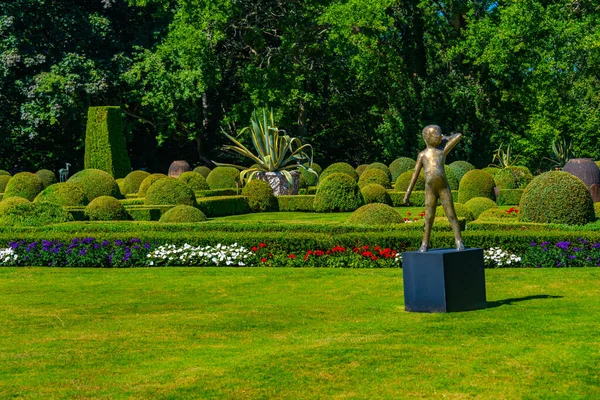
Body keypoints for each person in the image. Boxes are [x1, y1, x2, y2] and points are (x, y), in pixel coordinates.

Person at [403, 125, 464, 252]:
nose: (440, 136)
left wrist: (444, 138)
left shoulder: (442, 151)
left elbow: (458, 136)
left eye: (441, 134)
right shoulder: (423, 155)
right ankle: (424, 244)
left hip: (443, 188)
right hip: (430, 190)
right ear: (428, 138)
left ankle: (459, 242)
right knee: (429, 217)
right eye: (437, 134)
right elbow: (414, 175)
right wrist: (407, 194)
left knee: (451, 215)